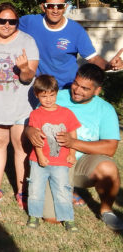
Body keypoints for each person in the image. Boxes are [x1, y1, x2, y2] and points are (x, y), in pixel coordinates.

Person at [26, 63, 123, 230]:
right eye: (76, 84)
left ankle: (106, 210)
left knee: (109, 168)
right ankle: (67, 191)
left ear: (97, 90)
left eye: (85, 88)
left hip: (81, 161)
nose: (77, 90)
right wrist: (29, 132)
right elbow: (34, 124)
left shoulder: (105, 109)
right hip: (54, 160)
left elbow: (110, 148)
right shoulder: (55, 96)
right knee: (52, 219)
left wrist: (73, 143)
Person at [0, 3, 39, 210]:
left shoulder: (27, 41)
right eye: (2, 20)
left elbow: (29, 76)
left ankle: (22, 191)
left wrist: (24, 70)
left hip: (21, 103)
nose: (7, 25)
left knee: (21, 146)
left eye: (12, 21)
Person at [19, 0, 123, 88]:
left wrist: (109, 65)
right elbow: (6, 27)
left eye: (60, 6)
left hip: (66, 89)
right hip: (40, 89)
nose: (55, 10)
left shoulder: (76, 30)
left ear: (65, 7)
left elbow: (93, 58)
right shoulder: (29, 22)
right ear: (43, 7)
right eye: (51, 6)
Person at [26, 75, 80, 231]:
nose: (48, 99)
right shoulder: (36, 114)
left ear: (57, 93)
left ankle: (68, 218)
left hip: (61, 161)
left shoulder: (67, 113)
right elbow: (37, 139)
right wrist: (40, 156)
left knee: (63, 189)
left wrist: (72, 152)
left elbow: (73, 134)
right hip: (39, 161)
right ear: (37, 95)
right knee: (35, 188)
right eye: (44, 96)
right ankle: (34, 215)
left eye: (52, 95)